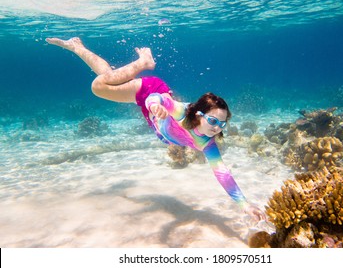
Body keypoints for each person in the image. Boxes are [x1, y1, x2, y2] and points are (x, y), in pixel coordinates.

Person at [45, 37, 266, 222]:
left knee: (108, 77)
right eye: (213, 121)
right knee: (99, 86)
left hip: (152, 113)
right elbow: (158, 97)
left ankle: (77, 46)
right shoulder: (181, 111)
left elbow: (223, 174)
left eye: (222, 124)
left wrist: (244, 205)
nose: (217, 128)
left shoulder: (208, 144)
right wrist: (155, 106)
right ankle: (143, 62)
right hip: (150, 90)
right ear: (198, 114)